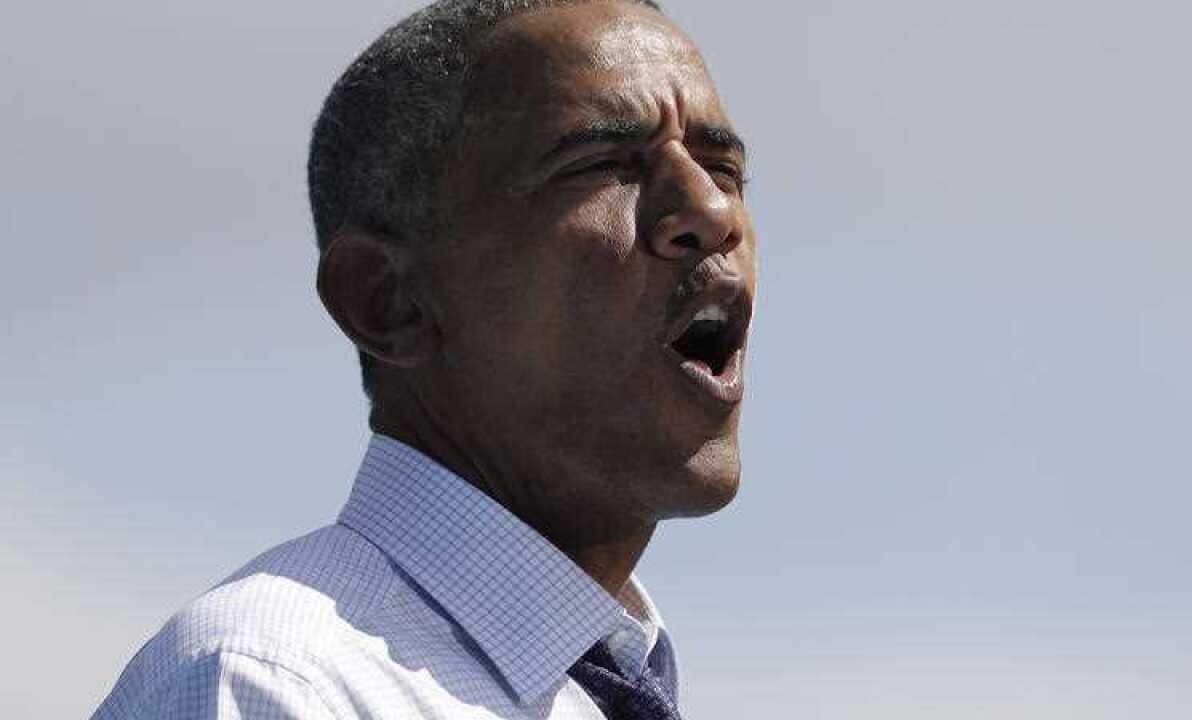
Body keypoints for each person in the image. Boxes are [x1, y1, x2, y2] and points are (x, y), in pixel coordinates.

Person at [91, 0, 756, 717]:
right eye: (599, 165)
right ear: (387, 301)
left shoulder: (611, 677)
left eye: (723, 169)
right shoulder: (273, 684)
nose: (711, 213)